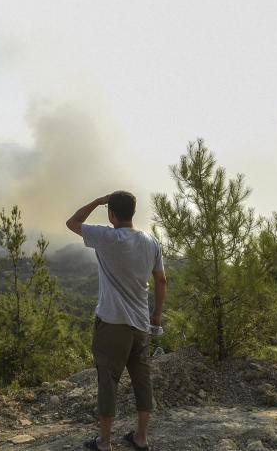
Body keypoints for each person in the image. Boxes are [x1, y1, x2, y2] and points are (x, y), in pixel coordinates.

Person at [66, 191, 167, 451]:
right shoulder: (151, 241)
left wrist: (98, 201)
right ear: (133, 212)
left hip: (112, 324)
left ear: (112, 214)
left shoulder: (107, 237)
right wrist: (156, 315)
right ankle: (141, 437)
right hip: (141, 325)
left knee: (108, 381)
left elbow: (72, 222)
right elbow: (161, 280)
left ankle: (105, 442)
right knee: (142, 380)